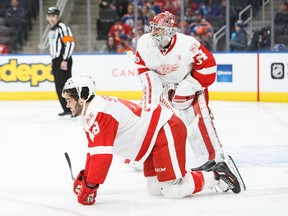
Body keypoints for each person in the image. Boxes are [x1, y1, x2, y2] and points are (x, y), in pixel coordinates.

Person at [61, 75, 245, 205]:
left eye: (69, 99)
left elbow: (103, 158)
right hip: (151, 141)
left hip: (164, 130)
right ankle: (205, 170)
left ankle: (216, 173)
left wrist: (90, 186)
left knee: (173, 189)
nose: (67, 104)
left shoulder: (100, 112)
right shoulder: (92, 112)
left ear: (82, 96)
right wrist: (86, 177)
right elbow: (94, 152)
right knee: (156, 188)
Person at [133, 11, 225, 171]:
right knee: (150, 114)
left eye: (159, 29)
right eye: (153, 28)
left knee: (195, 118)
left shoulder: (188, 44)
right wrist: (152, 85)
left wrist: (189, 85)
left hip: (186, 82)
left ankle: (212, 158)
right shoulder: (144, 42)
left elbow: (209, 67)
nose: (154, 32)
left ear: (169, 31)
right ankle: (142, 154)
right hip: (162, 83)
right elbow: (141, 65)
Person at [47, 6, 75, 117]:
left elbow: (69, 43)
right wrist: (53, 60)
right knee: (59, 87)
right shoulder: (51, 30)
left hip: (63, 59)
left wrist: (65, 59)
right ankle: (66, 109)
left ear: (58, 17)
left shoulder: (62, 27)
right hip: (56, 60)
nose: (51, 18)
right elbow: (53, 47)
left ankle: (74, 109)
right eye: (49, 16)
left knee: (67, 86)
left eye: (53, 16)